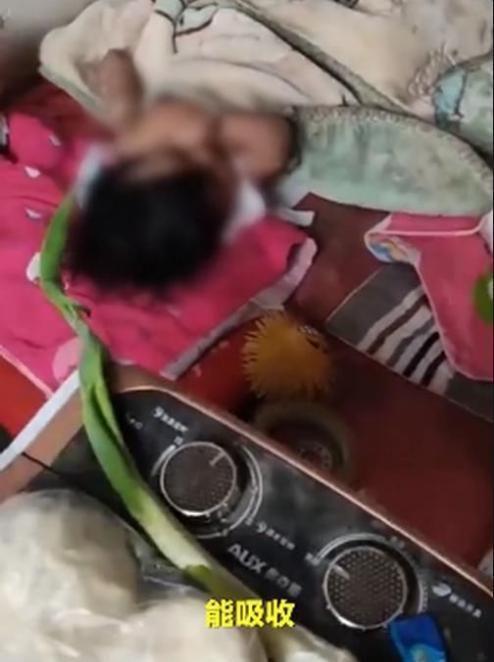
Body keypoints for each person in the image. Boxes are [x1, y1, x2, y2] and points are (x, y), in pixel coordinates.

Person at [67, 50, 296, 293]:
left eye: (175, 151)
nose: (196, 137)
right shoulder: (228, 199)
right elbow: (277, 138)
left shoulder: (123, 143)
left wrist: (122, 102)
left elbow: (114, 59)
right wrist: (219, 132)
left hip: (124, 145)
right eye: (213, 155)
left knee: (120, 108)